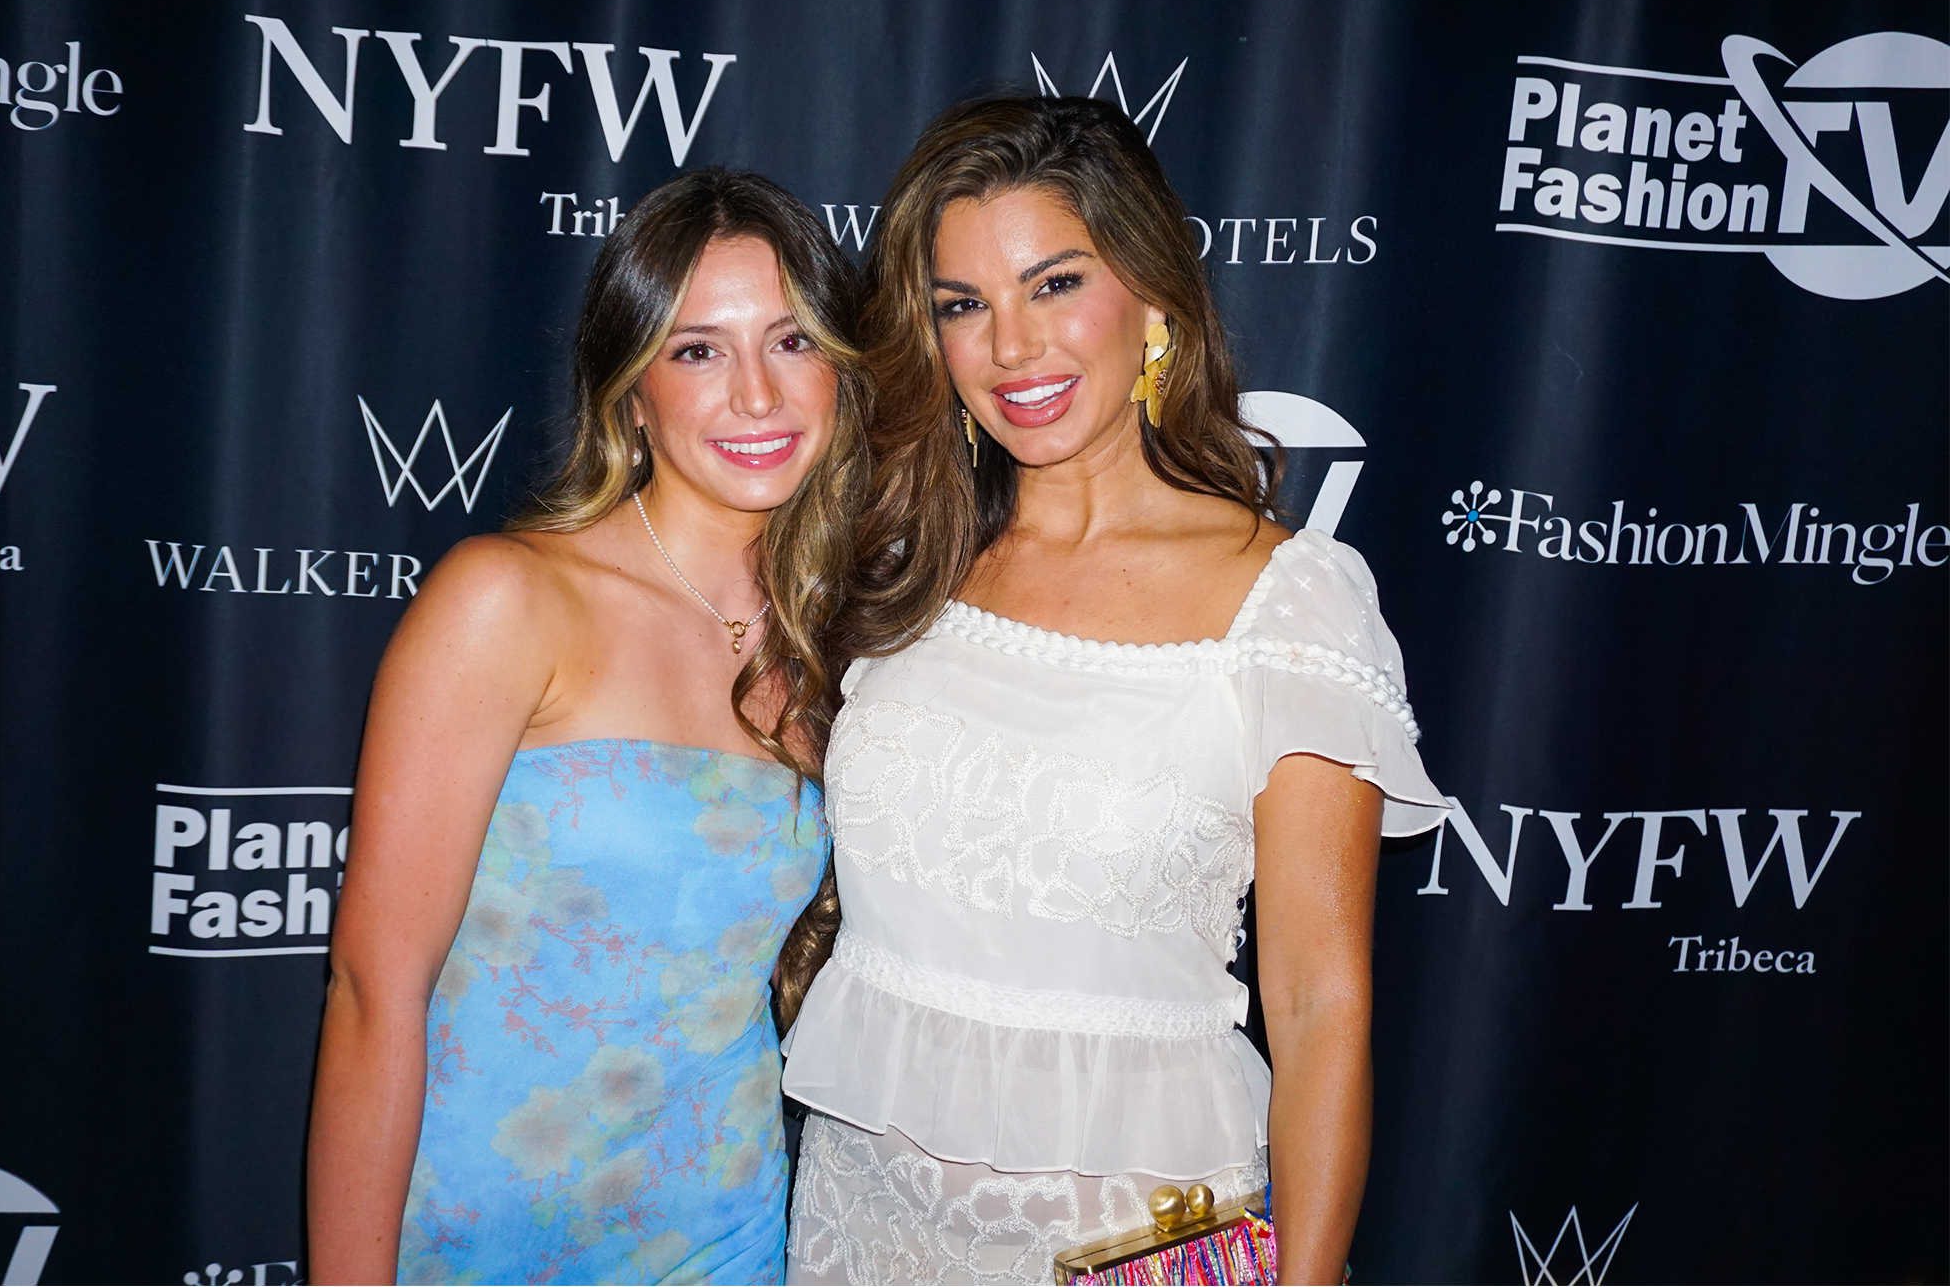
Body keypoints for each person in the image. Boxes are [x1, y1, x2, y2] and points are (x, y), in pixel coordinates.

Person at [778, 96, 1450, 1286]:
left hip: (1131, 1238)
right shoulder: (901, 559)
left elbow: (1316, 1003)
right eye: (963, 305)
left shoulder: (1287, 598)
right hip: (862, 1221)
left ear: (1148, 292)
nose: (1012, 348)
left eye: (1053, 284)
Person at [304, 169, 868, 1286]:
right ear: (631, 389)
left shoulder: (837, 646)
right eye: (698, 349)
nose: (756, 394)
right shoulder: (508, 598)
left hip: (721, 1235)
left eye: (791, 341)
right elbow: (376, 990)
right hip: (478, 1235)